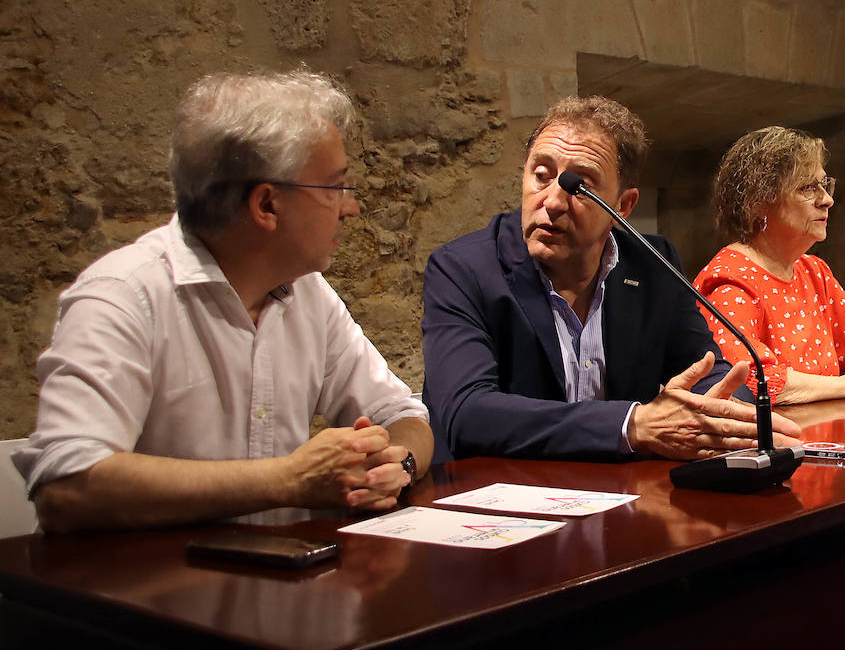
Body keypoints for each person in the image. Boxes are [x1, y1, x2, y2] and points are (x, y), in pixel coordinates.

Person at [14, 71, 433, 533]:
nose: (350, 207)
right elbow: (68, 487)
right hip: (140, 595)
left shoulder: (307, 292)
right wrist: (288, 480)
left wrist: (396, 465)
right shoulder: (123, 295)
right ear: (266, 206)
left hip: (277, 589)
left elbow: (403, 413)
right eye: (334, 188)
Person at [422, 97, 800, 461]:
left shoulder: (653, 263)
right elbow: (465, 412)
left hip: (619, 498)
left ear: (623, 206)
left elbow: (705, 369)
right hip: (497, 500)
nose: (552, 201)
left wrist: (724, 415)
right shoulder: (463, 269)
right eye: (541, 176)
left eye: (579, 186)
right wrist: (631, 425)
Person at [692, 126, 845, 404]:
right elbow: (749, 379)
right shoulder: (729, 281)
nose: (827, 200)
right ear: (759, 202)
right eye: (808, 188)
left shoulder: (814, 271)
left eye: (825, 185)